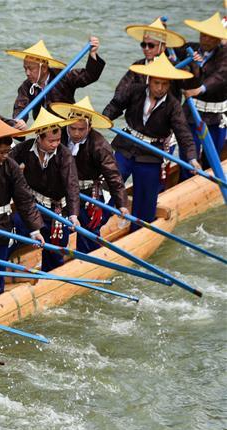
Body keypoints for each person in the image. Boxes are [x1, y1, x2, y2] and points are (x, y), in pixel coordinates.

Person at [102, 55, 200, 226]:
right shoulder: (134, 90)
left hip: (151, 155)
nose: (160, 88)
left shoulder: (173, 105)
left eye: (165, 84)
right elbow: (115, 105)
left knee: (145, 203)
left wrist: (192, 158)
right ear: (149, 80)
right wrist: (104, 118)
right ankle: (96, 225)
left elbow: (184, 134)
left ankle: (138, 232)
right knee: (108, 187)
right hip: (126, 146)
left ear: (169, 84)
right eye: (157, 83)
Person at [0, 113, 45, 299]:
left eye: (8, 151)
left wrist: (35, 229)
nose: (6, 156)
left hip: (0, 226)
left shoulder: (11, 166)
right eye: (2, 152)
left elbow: (24, 199)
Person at [50, 96, 130, 252]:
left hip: (88, 193)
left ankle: (88, 261)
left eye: (81, 129)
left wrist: (122, 204)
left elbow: (113, 176)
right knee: (57, 232)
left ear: (90, 127)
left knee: (89, 231)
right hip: (62, 190)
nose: (76, 133)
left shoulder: (100, 145)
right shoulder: (57, 137)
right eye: (72, 128)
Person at [9, 108, 81, 271]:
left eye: (58, 140)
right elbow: (7, 162)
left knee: (54, 253)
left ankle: (50, 278)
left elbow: (72, 186)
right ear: (39, 137)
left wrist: (73, 214)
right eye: (51, 141)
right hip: (32, 207)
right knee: (14, 232)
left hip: (55, 212)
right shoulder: (25, 149)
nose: (55, 144)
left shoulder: (65, 155)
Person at [7, 37, 104, 127]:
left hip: (66, 126)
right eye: (25, 68)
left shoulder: (63, 76)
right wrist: (20, 121)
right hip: (43, 129)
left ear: (44, 68)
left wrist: (92, 54)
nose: (27, 73)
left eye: (31, 69)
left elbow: (89, 76)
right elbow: (20, 106)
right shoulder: (27, 86)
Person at [180, 12, 227, 166]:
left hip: (215, 115)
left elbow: (220, 76)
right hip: (191, 111)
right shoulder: (190, 49)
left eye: (209, 37)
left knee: (212, 156)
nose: (204, 39)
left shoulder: (225, 54)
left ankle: (210, 183)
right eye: (202, 35)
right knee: (188, 155)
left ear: (218, 39)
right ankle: (185, 180)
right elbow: (169, 51)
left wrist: (200, 89)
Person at [115, 18, 185, 96]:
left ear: (163, 47)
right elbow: (120, 91)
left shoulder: (174, 67)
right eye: (143, 45)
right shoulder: (138, 65)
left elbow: (190, 83)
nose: (146, 49)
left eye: (151, 45)